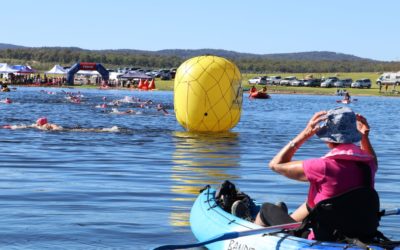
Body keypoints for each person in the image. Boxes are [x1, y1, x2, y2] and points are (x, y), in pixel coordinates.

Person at [252, 107, 376, 240]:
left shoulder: (321, 167)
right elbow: (370, 157)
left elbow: (275, 165)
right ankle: (289, 220)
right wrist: (365, 138)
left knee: (266, 209)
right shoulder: (369, 165)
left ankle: (254, 238)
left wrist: (305, 134)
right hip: (358, 235)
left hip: (321, 238)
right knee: (315, 202)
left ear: (328, 138)